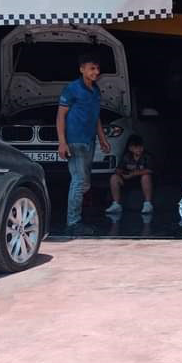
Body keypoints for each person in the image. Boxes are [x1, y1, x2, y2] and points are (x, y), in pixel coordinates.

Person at [57, 52, 111, 233]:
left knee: (85, 183)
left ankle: (76, 218)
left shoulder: (95, 90)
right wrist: (62, 142)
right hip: (74, 142)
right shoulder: (71, 89)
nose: (96, 72)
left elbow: (96, 116)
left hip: (89, 142)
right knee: (79, 181)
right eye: (92, 68)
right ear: (82, 69)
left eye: (97, 68)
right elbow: (60, 116)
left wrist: (102, 138)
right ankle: (73, 223)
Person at [106, 135, 154, 215]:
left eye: (140, 147)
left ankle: (148, 204)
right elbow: (118, 169)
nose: (139, 149)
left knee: (146, 176)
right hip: (127, 180)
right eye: (136, 147)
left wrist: (133, 174)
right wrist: (123, 173)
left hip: (142, 182)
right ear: (130, 148)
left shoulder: (147, 156)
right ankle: (116, 204)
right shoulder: (126, 157)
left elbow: (150, 170)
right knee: (114, 177)